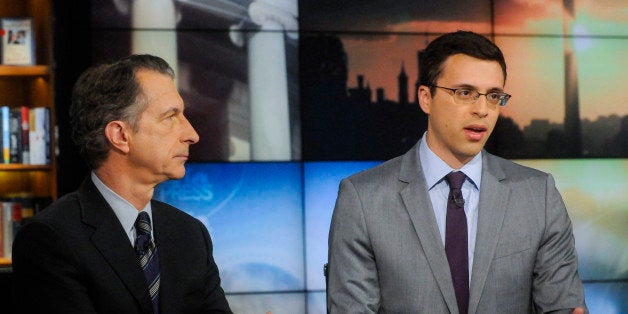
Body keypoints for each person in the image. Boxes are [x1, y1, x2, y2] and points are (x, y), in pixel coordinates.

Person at [327, 31, 587, 313]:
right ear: (426, 98)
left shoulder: (539, 195)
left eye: (494, 96)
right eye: (465, 93)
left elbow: (563, 306)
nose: (482, 109)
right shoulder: (363, 199)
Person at [12, 54, 232, 313]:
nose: (192, 135)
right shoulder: (50, 240)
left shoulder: (190, 234)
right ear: (120, 135)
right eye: (171, 117)